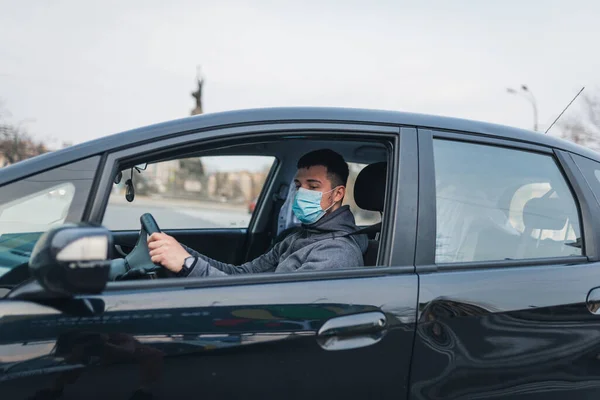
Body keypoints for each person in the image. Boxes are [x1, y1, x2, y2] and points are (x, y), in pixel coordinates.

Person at [147, 149, 368, 277]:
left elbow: (274, 308)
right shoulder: (298, 237)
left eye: (312, 186)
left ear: (337, 194)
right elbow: (241, 275)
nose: (301, 193)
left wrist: (187, 265)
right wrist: (177, 250)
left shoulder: (336, 253)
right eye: (298, 185)